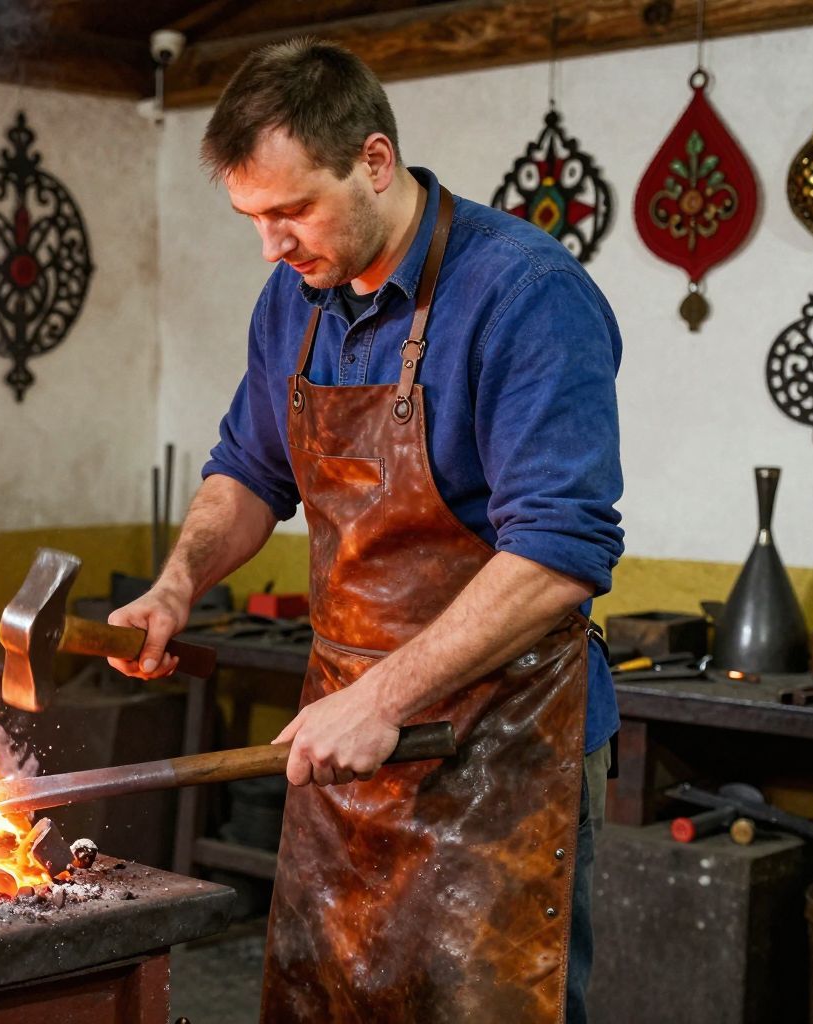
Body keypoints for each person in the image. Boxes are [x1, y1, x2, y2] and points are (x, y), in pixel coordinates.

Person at [108, 38, 623, 1024]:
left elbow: (559, 554)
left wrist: (382, 695)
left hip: (504, 747)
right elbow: (248, 472)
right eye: (253, 219)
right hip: (344, 746)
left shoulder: (523, 293)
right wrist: (177, 585)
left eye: (292, 211)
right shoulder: (294, 300)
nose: (272, 246)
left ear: (374, 162)